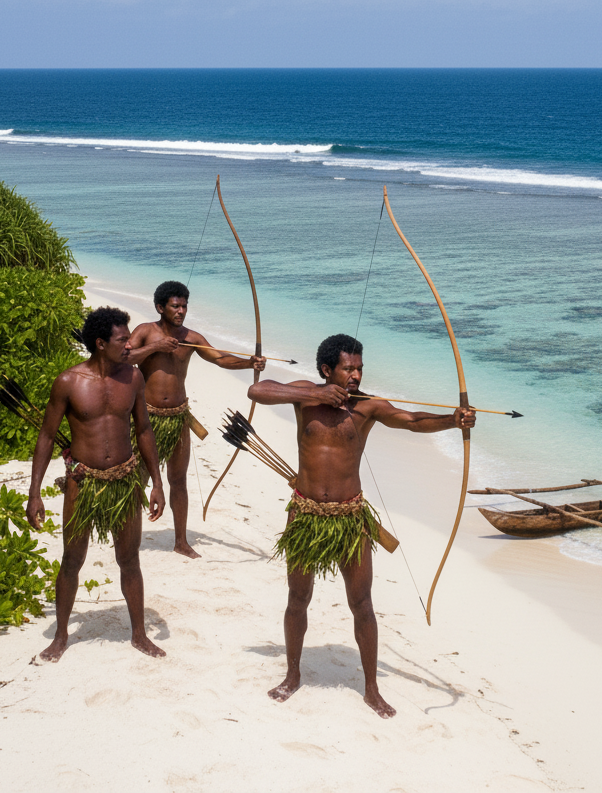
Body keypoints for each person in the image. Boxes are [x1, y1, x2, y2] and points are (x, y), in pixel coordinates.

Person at [247, 333, 476, 718]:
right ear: (326, 370)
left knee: (362, 604)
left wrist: (453, 420)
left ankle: (371, 688)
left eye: (359, 368)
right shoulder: (306, 395)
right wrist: (315, 396)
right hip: (305, 515)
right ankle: (292, 675)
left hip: (350, 518)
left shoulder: (368, 407)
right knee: (297, 599)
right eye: (347, 368)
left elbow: (412, 421)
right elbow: (259, 390)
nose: (355, 375)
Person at [26, 306, 166, 662]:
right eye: (123, 340)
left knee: (129, 558)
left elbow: (144, 430)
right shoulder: (69, 382)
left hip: (123, 480)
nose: (129, 346)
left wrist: (157, 484)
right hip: (83, 482)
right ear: (101, 343)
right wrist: (35, 492)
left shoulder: (133, 378)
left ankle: (139, 634)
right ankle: (60, 636)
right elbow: (46, 436)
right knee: (72, 559)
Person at [127, 281, 267, 559]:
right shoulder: (145, 331)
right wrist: (156, 348)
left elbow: (220, 358)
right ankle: (128, 539)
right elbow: (123, 357)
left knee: (178, 480)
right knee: (137, 479)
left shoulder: (192, 337)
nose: (181, 311)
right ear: (160, 307)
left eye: (184, 306)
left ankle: (180, 541)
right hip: (147, 418)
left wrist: (249, 362)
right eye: (175, 306)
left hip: (178, 419)